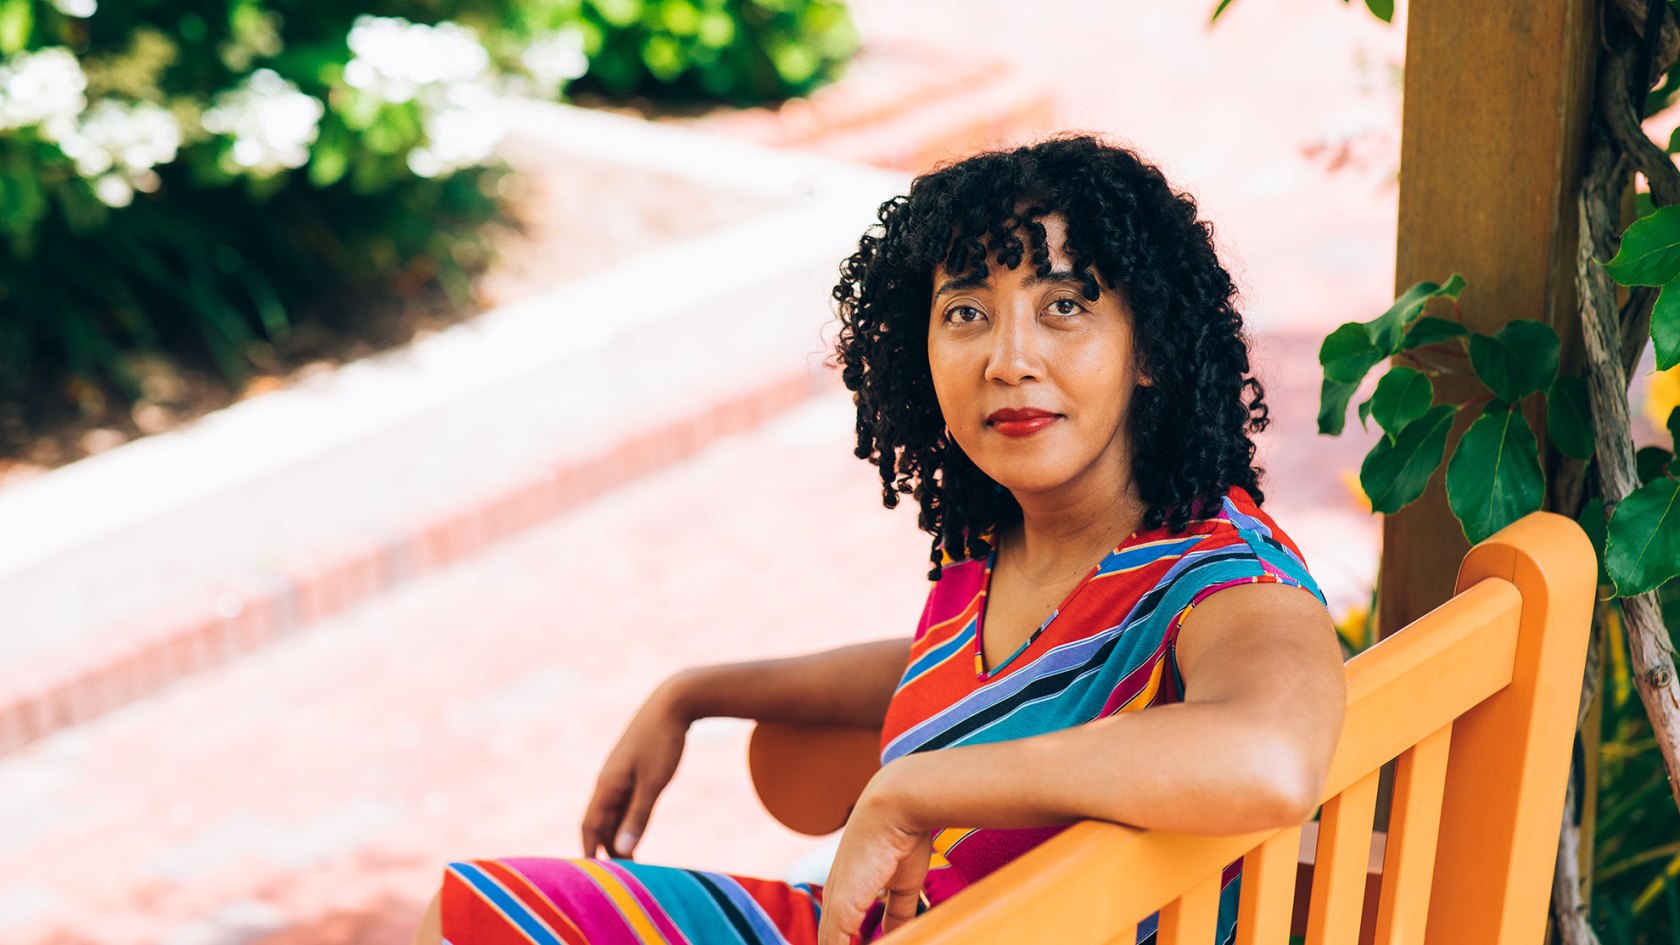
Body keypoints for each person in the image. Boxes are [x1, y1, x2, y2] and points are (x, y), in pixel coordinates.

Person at [413, 133, 1346, 945]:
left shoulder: (1224, 573)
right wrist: (695, 694)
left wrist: (917, 790)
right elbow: (972, 675)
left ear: (1151, 350)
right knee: (481, 912)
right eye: (966, 313)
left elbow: (1269, 758)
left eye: (1065, 306)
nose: (1009, 358)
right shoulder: (1005, 545)